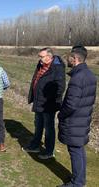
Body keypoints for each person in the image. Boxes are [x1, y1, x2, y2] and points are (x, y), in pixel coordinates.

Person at [57, 45, 97, 187]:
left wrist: (61, 115)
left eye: (69, 57)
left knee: (75, 151)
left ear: (75, 59)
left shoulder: (77, 78)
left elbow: (71, 105)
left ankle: (77, 183)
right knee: (79, 150)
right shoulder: (90, 75)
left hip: (74, 121)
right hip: (83, 118)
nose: (67, 59)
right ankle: (79, 179)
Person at [23, 47, 65, 159]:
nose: (40, 59)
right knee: (38, 125)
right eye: (39, 57)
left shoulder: (57, 68)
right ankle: (35, 146)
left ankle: (49, 151)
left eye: (41, 56)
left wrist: (49, 99)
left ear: (49, 57)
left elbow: (60, 88)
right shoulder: (40, 65)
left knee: (49, 128)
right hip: (38, 101)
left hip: (48, 104)